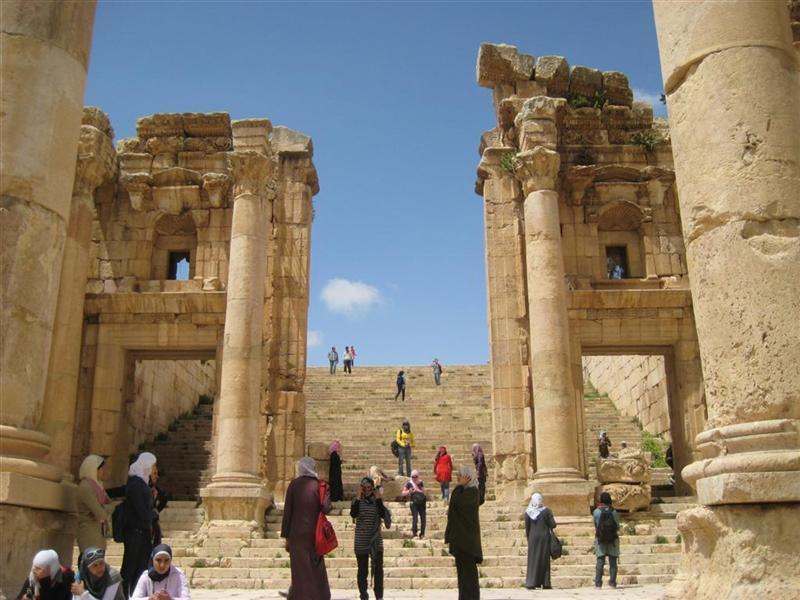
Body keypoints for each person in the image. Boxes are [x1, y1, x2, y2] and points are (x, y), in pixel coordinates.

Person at [280, 456, 332, 600]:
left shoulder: (293, 485)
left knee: (299, 569)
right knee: (316, 566)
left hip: (296, 534)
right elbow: (327, 508)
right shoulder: (320, 485)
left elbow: (287, 512)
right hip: (315, 533)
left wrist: (286, 536)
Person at [121, 452, 157, 597]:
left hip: (141, 532)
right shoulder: (136, 484)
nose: (153, 469)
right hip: (135, 532)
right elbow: (140, 510)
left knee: (139, 567)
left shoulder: (141, 483)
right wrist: (153, 514)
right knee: (130, 567)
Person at [445, 465, 482, 600]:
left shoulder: (472, 493)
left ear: (468, 478)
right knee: (463, 575)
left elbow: (456, 503)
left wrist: (459, 486)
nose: (457, 479)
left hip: (467, 543)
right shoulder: (464, 492)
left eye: (460, 476)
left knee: (468, 576)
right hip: (461, 541)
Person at [350, 477, 391, 600]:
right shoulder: (356, 501)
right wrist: (358, 496)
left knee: (378, 570)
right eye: (364, 488)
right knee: (362, 570)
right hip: (361, 540)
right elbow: (354, 514)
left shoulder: (377, 501)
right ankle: (363, 594)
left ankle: (379, 596)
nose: (367, 490)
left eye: (369, 488)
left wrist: (378, 498)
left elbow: (383, 514)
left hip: (375, 540)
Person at [76, 455, 112, 556]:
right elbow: (101, 513)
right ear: (93, 469)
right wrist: (110, 507)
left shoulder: (98, 487)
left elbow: (108, 504)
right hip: (89, 534)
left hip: (98, 534)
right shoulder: (85, 487)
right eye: (101, 469)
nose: (103, 472)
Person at [524, 493, 557, 590]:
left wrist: (529, 539)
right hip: (544, 538)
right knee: (544, 560)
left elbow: (527, 528)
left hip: (533, 538)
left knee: (533, 560)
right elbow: (553, 524)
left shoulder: (528, 512)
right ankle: (546, 583)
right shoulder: (546, 511)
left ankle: (531, 582)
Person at [593, 491, 621, 589]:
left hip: (600, 540)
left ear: (601, 500)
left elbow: (596, 525)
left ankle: (598, 584)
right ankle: (612, 583)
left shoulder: (596, 512)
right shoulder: (614, 512)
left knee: (600, 561)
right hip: (613, 540)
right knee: (613, 562)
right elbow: (617, 526)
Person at [401, 470, 427, 539]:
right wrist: (409, 491)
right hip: (414, 503)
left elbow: (424, 492)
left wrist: (418, 490)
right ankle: (414, 533)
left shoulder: (420, 482)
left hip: (421, 503)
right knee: (415, 518)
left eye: (416, 477)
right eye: (413, 477)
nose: (414, 478)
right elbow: (403, 493)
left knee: (423, 518)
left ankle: (422, 534)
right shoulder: (409, 483)